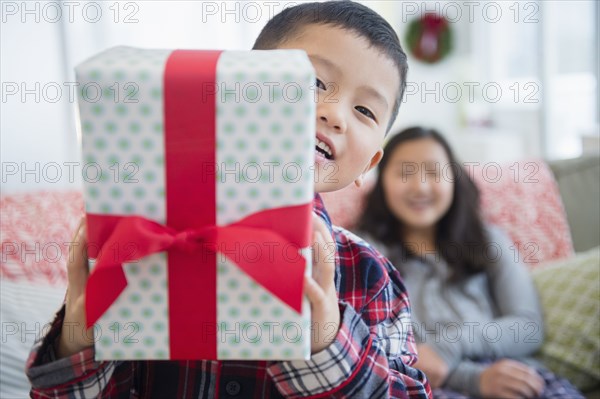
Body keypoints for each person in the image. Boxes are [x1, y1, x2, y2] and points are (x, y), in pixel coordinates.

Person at [26, 2, 433, 398]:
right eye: (312, 83)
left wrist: (327, 343)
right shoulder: (145, 235)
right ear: (235, 88)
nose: (334, 114)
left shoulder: (370, 275)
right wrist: (77, 343)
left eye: (364, 109)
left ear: (370, 164)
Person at [357, 126, 584, 398]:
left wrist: (447, 348)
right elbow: (369, 348)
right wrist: (471, 379)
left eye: (433, 171)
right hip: (429, 385)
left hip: (512, 375)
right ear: (382, 182)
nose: (420, 186)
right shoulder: (363, 251)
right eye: (405, 173)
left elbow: (528, 327)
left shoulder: (488, 239)